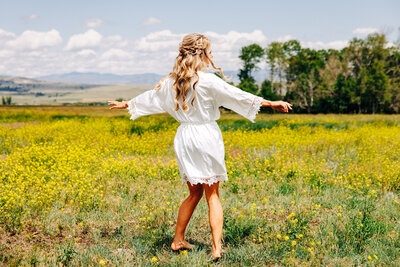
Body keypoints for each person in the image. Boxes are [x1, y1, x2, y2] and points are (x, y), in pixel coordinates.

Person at [108, 33, 292, 259]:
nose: (212, 56)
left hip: (185, 137)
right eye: (210, 52)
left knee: (194, 192)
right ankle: (216, 248)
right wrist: (270, 102)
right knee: (212, 193)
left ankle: (178, 240)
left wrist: (126, 103)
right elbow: (237, 95)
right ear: (202, 54)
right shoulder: (207, 80)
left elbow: (151, 98)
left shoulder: (172, 82)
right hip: (206, 135)